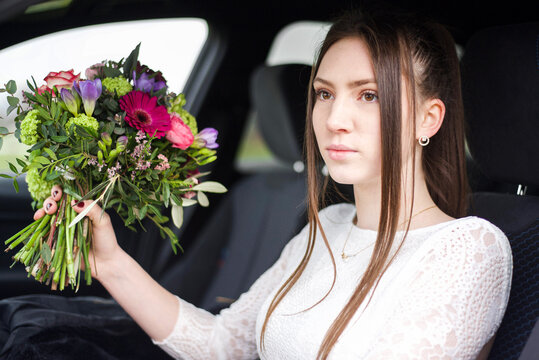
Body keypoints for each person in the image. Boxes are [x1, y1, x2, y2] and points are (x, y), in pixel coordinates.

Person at [34, 8, 512, 360]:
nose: (334, 119)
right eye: (324, 94)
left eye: (369, 95)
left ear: (428, 119)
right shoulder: (328, 225)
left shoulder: (469, 248)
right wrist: (110, 262)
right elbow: (224, 346)